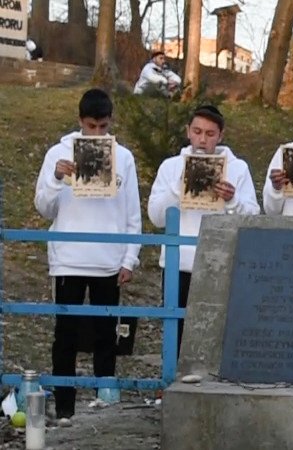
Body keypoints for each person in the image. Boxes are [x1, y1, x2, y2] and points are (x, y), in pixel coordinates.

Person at [34, 89, 142, 421]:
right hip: (68, 258)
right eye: (91, 126)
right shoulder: (58, 153)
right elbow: (43, 207)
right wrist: (56, 178)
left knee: (105, 335)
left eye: (103, 127)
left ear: (110, 123)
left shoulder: (122, 157)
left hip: (108, 261)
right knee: (65, 333)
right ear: (80, 122)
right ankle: (64, 403)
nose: (97, 133)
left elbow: (132, 212)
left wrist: (129, 259)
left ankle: (104, 401)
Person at [147, 105, 260, 356]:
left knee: (216, 333)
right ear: (188, 132)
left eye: (210, 134)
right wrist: (179, 187)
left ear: (220, 136)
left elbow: (253, 218)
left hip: (220, 262)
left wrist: (232, 200)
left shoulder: (238, 168)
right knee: (175, 330)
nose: (202, 139)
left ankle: (211, 388)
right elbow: (155, 217)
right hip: (178, 264)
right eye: (197, 131)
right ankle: (173, 384)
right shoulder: (170, 166)